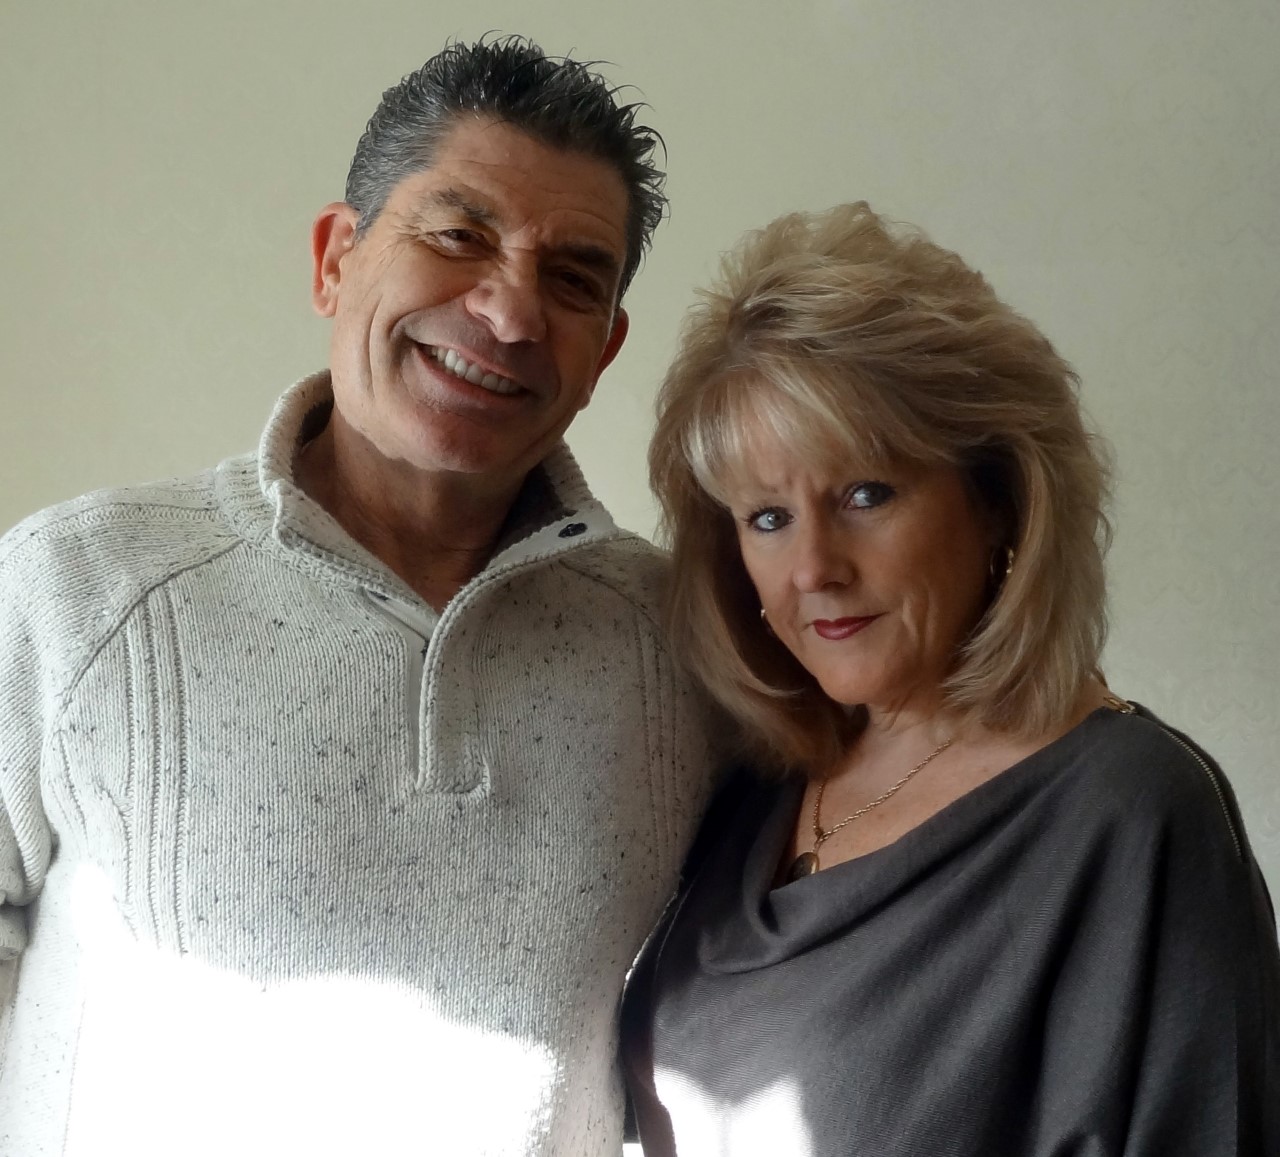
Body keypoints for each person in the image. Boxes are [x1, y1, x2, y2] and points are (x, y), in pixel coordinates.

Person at [0, 38, 717, 1157]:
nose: (511, 312)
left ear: (606, 349)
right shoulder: (79, 584)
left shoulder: (685, 647)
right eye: (458, 235)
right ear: (336, 257)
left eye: (573, 278)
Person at [623, 202, 1280, 1155]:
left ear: (998, 499)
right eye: (767, 517)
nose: (813, 568)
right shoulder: (755, 787)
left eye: (866, 494)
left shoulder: (1133, 811)